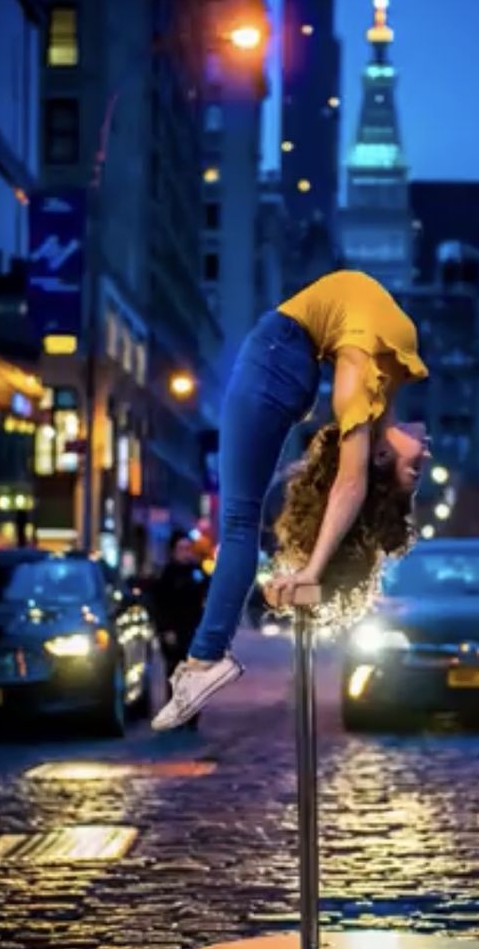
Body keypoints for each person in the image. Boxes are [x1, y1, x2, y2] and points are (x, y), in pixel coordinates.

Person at [151, 269, 430, 731]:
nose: (427, 455)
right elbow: (357, 480)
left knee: (239, 520)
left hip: (276, 358)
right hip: (287, 358)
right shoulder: (391, 371)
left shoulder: (358, 381)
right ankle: (207, 657)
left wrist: (312, 571)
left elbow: (351, 483)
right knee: (241, 516)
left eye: (414, 470)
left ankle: (205, 659)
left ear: (383, 454)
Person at [152, 530, 209, 729]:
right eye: (181, 549)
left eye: (188, 548)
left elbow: (207, 599)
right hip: (173, 632)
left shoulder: (198, 572)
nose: (185, 553)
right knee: (174, 673)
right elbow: (159, 604)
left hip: (194, 631)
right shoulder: (166, 574)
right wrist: (165, 629)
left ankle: (192, 715)